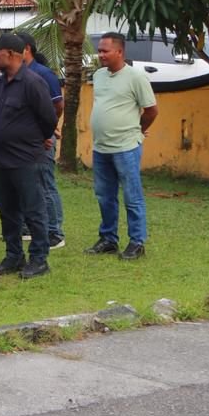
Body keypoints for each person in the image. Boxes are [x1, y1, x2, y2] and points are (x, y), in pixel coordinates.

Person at [0, 34, 58, 280]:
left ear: (10, 53)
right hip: (2, 159)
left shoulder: (32, 82)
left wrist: (41, 137)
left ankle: (39, 259)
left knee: (33, 210)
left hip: (26, 158)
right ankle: (14, 256)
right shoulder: (2, 82)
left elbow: (49, 117)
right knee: (7, 210)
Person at [86, 32, 157, 260]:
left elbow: (151, 110)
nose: (100, 55)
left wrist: (137, 130)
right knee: (105, 196)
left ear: (119, 52)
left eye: (105, 51)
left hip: (126, 148)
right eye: (99, 51)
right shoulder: (99, 75)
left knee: (132, 196)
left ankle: (137, 242)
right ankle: (108, 239)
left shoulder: (136, 77)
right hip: (101, 148)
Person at [17, 32, 66, 249]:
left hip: (42, 138)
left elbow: (57, 105)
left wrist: (47, 130)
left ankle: (55, 232)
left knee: (45, 184)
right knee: (27, 184)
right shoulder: (15, 74)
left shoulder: (44, 74)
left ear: (26, 49)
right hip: (23, 139)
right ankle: (30, 226)